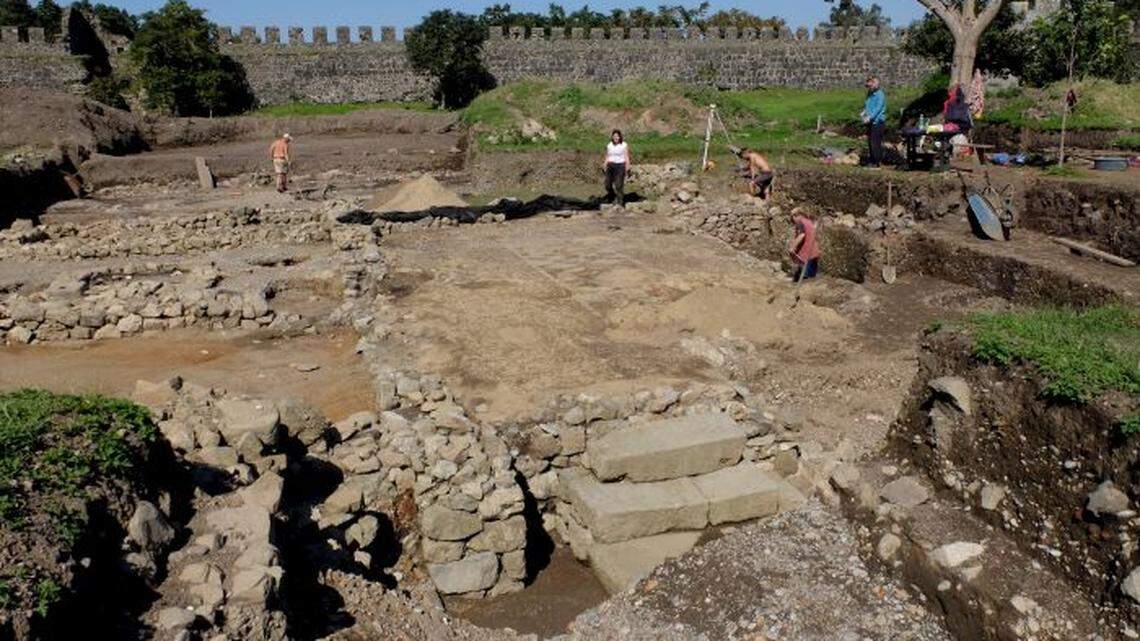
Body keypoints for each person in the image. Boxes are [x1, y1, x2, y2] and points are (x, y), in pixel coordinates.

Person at [862, 76, 887, 169]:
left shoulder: (880, 95)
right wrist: (864, 112)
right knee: (870, 142)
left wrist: (870, 117)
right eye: (868, 86)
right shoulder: (869, 94)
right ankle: (872, 161)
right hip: (870, 122)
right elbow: (867, 105)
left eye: (870, 85)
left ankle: (876, 163)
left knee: (875, 143)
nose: (869, 87)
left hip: (878, 122)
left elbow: (878, 108)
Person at [788, 211, 821, 280]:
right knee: (811, 278)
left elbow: (801, 235)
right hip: (814, 253)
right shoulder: (809, 222)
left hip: (806, 255)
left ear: (795, 216)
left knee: (803, 279)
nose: (794, 223)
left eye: (792, 219)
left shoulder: (800, 222)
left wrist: (792, 247)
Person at [603, 129, 630, 206]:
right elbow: (607, 156)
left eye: (617, 136)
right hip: (610, 165)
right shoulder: (609, 145)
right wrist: (604, 164)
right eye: (614, 136)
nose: (616, 138)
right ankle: (612, 196)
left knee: (618, 185)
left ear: (620, 137)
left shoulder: (624, 145)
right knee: (607, 184)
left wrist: (627, 166)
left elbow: (626, 156)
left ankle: (620, 202)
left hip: (620, 166)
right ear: (612, 137)